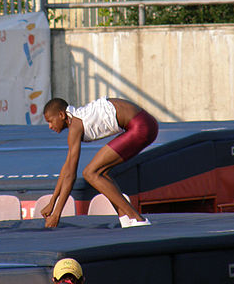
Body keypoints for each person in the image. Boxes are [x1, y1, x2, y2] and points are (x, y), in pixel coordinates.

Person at [41, 97, 158, 228]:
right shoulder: (75, 120)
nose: (50, 126)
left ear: (61, 115)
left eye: (50, 121)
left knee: (90, 173)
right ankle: (125, 217)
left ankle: (137, 218)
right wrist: (52, 202)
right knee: (101, 173)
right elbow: (66, 169)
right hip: (143, 124)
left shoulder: (75, 125)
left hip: (141, 126)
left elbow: (71, 176)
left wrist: (56, 214)